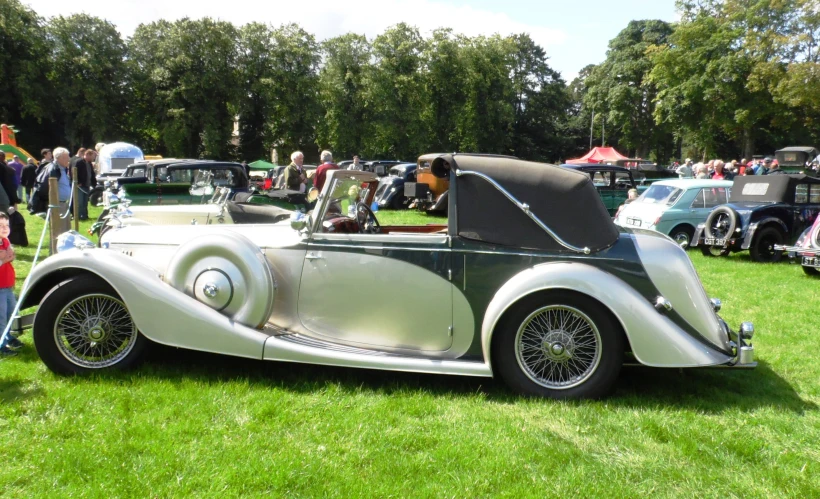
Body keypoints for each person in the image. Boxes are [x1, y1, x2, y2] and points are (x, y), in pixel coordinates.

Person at [0, 212, 21, 355]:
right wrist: (4, 259)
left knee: (11, 313)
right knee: (0, 317)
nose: (4, 228)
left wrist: (8, 256)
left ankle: (8, 336)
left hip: (7, 286)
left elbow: (10, 255)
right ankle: (1, 345)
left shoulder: (5, 241)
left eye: (7, 225)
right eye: (0, 226)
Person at [50, 148, 72, 234]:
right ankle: (57, 247)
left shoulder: (63, 169)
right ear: (60, 158)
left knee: (67, 229)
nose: (69, 159)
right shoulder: (54, 169)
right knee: (60, 230)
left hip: (64, 203)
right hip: (57, 205)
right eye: (67, 157)